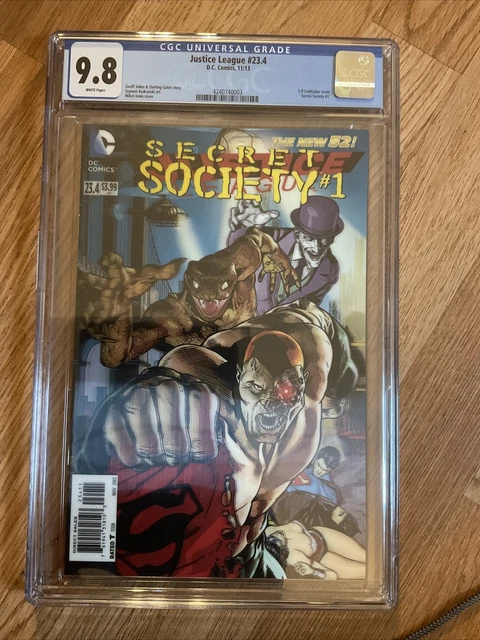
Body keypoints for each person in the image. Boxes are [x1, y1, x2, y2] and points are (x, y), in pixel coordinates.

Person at [76, 300, 358, 578]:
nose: (272, 406)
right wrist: (149, 398)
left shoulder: (306, 398)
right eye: (256, 387)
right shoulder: (198, 367)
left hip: (237, 554)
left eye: (286, 394)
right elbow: (169, 386)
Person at [228, 196, 344, 314]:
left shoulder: (330, 270)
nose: (316, 248)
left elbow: (309, 306)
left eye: (324, 240)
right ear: (297, 235)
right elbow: (236, 250)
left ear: (332, 239)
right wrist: (244, 227)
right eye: (309, 239)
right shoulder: (271, 238)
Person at [265, 521, 366, 580]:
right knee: (365, 571)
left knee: (366, 556)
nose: (276, 537)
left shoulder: (267, 530)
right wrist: (314, 572)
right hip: (322, 558)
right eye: (276, 542)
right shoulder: (294, 558)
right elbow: (332, 575)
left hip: (321, 535)